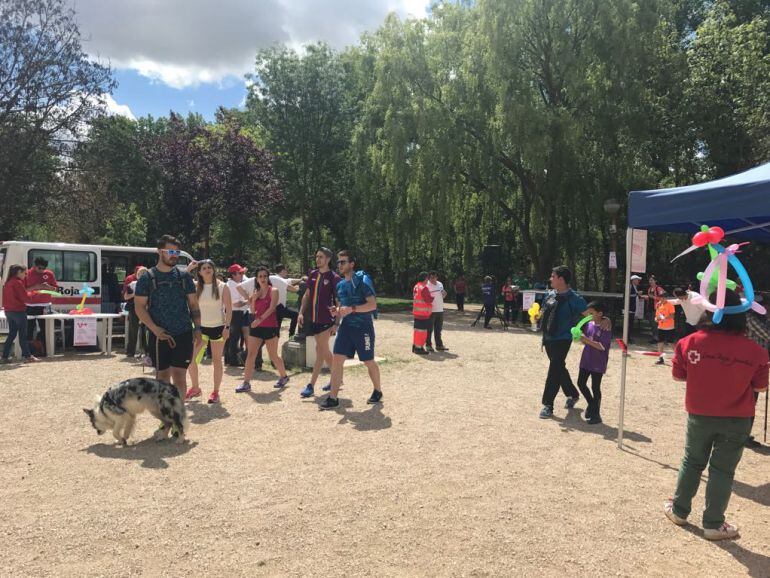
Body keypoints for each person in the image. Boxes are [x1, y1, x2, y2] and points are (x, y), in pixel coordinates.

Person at [664, 289, 768, 540]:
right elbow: (761, 387)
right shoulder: (756, 351)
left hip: (700, 414)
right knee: (723, 470)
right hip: (737, 419)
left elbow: (678, 376)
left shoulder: (688, 343)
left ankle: (679, 510)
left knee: (692, 462)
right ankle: (713, 523)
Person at [134, 235, 202, 398]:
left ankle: (177, 416)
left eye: (177, 252)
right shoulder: (147, 278)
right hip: (159, 336)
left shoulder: (184, 276)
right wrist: (154, 328)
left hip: (183, 333)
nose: (174, 255)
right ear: (159, 251)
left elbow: (193, 305)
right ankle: (165, 418)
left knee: (179, 377)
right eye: (170, 251)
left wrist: (198, 329)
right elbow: (139, 307)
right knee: (162, 378)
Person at [320, 250, 382, 410]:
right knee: (337, 360)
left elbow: (372, 305)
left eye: (343, 262)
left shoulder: (362, 280)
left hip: (363, 328)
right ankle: (333, 398)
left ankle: (377, 390)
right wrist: (336, 314)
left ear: (352, 264)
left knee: (368, 361)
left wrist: (352, 309)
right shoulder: (340, 285)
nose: (339, 265)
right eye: (338, 262)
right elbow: (342, 307)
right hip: (346, 328)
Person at [539, 266, 590, 419]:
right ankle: (573, 394)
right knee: (559, 367)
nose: (550, 279)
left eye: (552, 276)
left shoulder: (576, 299)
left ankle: (547, 404)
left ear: (561, 279)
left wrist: (582, 329)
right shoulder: (549, 295)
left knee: (554, 368)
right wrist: (537, 317)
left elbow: (589, 316)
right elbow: (543, 313)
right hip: (548, 338)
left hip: (563, 339)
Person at [236, 266, 290, 392]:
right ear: (257, 279)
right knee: (251, 354)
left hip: (270, 326)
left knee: (273, 356)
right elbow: (253, 310)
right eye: (260, 276)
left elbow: (272, 309)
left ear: (268, 277)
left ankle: (284, 376)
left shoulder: (274, 290)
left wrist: (259, 320)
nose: (263, 278)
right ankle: (246, 383)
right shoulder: (256, 291)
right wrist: (254, 298)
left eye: (265, 276)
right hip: (257, 327)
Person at [186, 260, 232, 404]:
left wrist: (227, 327)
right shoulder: (195, 286)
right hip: (201, 328)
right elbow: (180, 279)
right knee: (191, 360)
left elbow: (229, 309)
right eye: (204, 268)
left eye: (209, 267)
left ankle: (215, 392)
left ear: (213, 269)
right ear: (199, 272)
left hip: (218, 327)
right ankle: (195, 388)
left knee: (217, 361)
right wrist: (189, 268)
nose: (207, 270)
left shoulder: (223, 286)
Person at [299, 248, 341, 397]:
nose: (318, 259)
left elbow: (338, 301)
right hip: (313, 319)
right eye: (316, 257)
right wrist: (300, 313)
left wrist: (337, 322)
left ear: (328, 259)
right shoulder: (313, 274)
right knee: (325, 351)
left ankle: (311, 385)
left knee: (320, 351)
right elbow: (307, 295)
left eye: (321, 257)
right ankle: (337, 378)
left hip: (326, 320)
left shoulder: (334, 277)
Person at [575, 301, 612, 425]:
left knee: (595, 387)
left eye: (591, 313)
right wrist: (579, 338)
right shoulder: (589, 324)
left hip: (598, 361)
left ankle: (596, 415)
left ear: (600, 313)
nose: (589, 315)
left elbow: (602, 347)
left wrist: (585, 339)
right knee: (580, 383)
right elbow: (586, 339)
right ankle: (592, 405)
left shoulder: (605, 327)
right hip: (586, 359)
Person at [1, 265, 40, 363]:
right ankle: (27, 356)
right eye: (24, 273)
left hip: (9, 311)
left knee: (12, 334)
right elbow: (25, 298)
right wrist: (35, 293)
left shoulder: (8, 282)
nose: (25, 275)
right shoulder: (18, 283)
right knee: (23, 335)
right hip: (18, 311)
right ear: (19, 272)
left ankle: (5, 357)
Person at [24, 256, 58, 351]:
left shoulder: (49, 274)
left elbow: (56, 289)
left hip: (45, 305)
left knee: (45, 328)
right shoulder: (27, 274)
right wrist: (36, 286)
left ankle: (44, 349)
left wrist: (49, 287)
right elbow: (23, 290)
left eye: (44, 268)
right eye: (40, 268)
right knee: (29, 328)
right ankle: (28, 351)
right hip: (30, 305)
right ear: (34, 266)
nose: (42, 270)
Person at [225, 264, 251, 367]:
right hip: (236, 312)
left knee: (232, 337)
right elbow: (236, 304)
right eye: (239, 273)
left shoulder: (232, 283)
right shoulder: (233, 285)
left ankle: (229, 359)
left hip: (234, 312)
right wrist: (248, 301)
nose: (241, 275)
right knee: (235, 337)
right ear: (233, 274)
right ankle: (233, 360)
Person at [124, 266, 148, 357]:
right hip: (134, 309)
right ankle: (130, 351)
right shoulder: (132, 284)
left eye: (144, 274)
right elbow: (126, 297)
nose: (142, 276)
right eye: (140, 274)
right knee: (133, 330)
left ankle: (147, 352)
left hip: (146, 309)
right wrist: (135, 293)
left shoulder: (150, 284)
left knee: (146, 331)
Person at [425, 271, 448, 352]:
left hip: (440, 310)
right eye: (431, 277)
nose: (432, 279)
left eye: (434, 277)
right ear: (428, 277)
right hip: (431, 310)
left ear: (436, 277)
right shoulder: (426, 285)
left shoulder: (440, 284)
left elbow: (442, 295)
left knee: (438, 329)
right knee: (429, 329)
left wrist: (444, 294)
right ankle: (428, 345)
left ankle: (439, 345)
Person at [412, 271, 433, 355]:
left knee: (417, 330)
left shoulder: (416, 286)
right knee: (422, 331)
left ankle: (415, 346)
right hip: (423, 314)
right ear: (425, 279)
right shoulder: (424, 288)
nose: (428, 280)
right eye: (427, 278)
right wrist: (433, 297)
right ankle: (419, 348)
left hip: (417, 312)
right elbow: (428, 300)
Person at [654, 291, 676, 365]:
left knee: (671, 343)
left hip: (669, 327)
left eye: (663, 297)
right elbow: (657, 315)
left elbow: (672, 316)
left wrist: (665, 318)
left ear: (666, 298)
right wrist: (656, 319)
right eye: (660, 297)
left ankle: (679, 357)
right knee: (660, 343)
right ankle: (660, 358)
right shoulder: (658, 305)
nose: (661, 299)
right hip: (661, 327)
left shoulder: (670, 305)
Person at [627, 274, 643, 343]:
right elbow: (628, 295)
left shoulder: (634, 287)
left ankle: (628, 337)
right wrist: (637, 294)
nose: (638, 281)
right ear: (633, 280)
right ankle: (627, 338)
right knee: (629, 323)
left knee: (631, 323)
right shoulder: (630, 286)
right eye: (637, 280)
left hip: (632, 308)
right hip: (629, 308)